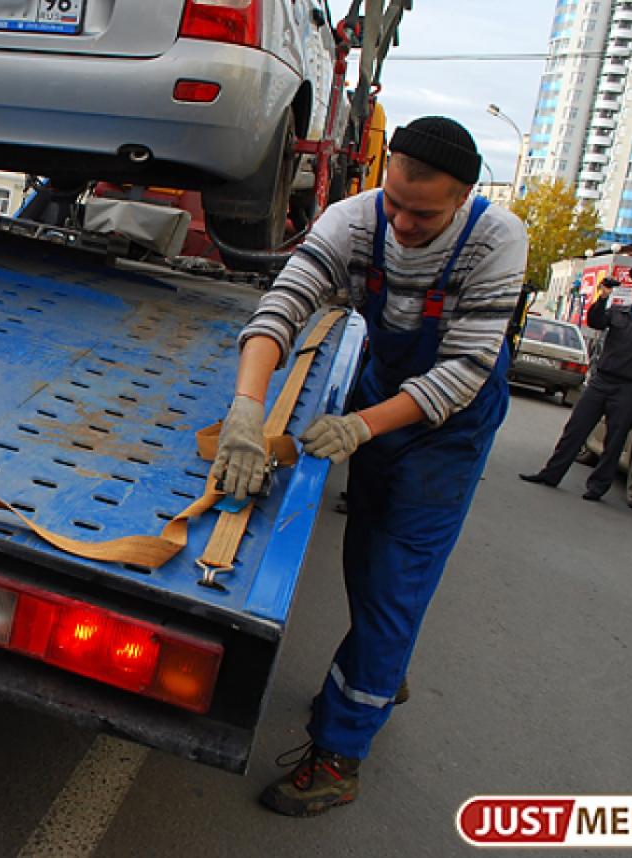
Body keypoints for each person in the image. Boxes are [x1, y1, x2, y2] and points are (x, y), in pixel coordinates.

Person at [212, 117, 528, 817]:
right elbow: (283, 308)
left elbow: (464, 372)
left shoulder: (496, 240)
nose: (404, 225)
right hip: (384, 393)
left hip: (451, 427)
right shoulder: (354, 221)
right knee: (363, 554)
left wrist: (361, 426)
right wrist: (246, 408)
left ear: (463, 198)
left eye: (425, 214)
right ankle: (385, 658)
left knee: (395, 578)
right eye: (396, 203)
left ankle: (339, 754)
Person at [521, 265, 632, 500]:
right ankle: (550, 474)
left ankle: (597, 487)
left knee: (614, 440)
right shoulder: (618, 312)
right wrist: (603, 296)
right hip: (602, 381)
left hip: (628, 388)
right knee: (575, 429)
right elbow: (595, 321)